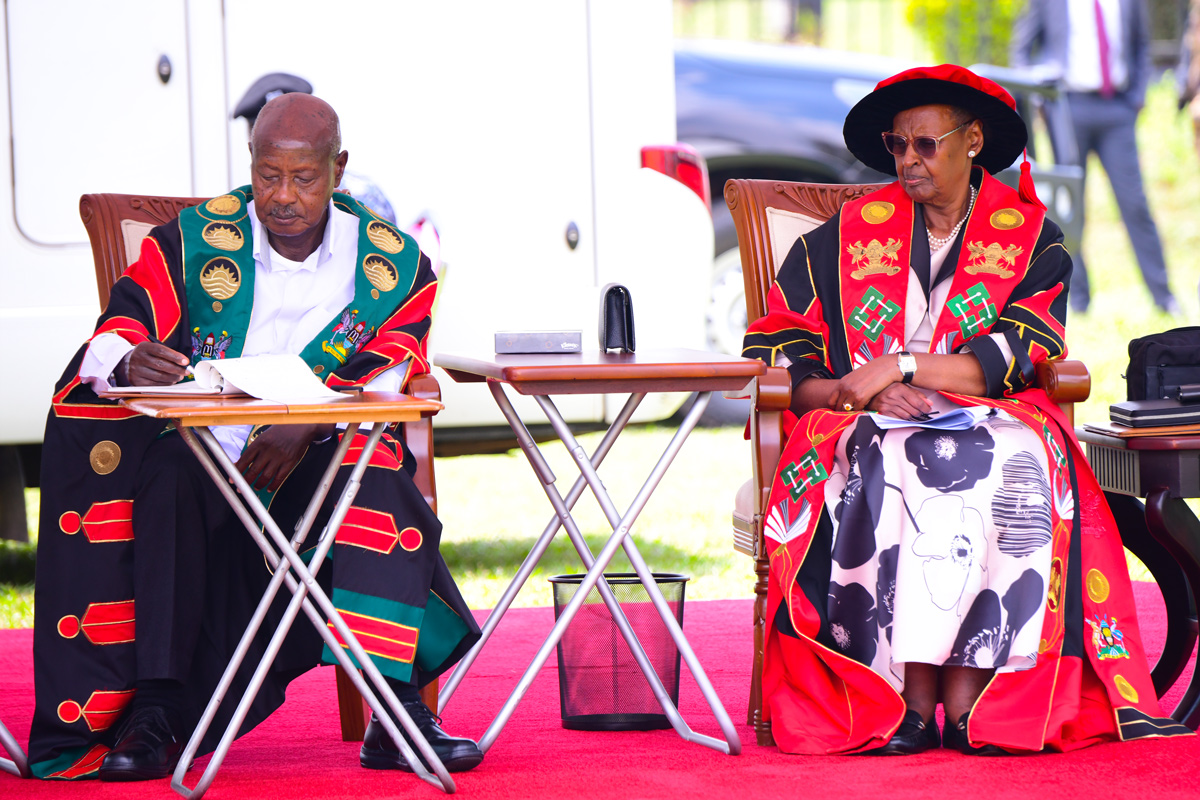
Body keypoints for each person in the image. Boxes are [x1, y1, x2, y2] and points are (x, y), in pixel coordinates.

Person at [28, 94, 483, 780]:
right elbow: (120, 324)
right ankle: (157, 710)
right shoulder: (194, 239)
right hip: (207, 458)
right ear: (251, 165)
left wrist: (300, 427)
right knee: (171, 468)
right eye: (268, 175)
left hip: (315, 460)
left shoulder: (389, 263)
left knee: (373, 467)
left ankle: (395, 711)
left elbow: (392, 363)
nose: (284, 197)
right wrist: (126, 358)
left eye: (304, 178)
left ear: (339, 169)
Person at [742, 64, 1192, 755]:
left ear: (973, 140)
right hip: (866, 421)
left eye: (925, 145)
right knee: (900, 457)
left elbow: (1010, 358)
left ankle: (974, 695)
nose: (908, 162)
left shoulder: (1031, 240)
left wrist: (901, 365)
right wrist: (853, 389)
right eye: (897, 147)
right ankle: (913, 701)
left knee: (1001, 458)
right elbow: (784, 362)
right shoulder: (839, 239)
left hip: (991, 416)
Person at [1011, 0, 1181, 316]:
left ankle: (1164, 297)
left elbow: (1141, 46)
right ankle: (1077, 299)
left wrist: (1137, 97)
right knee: (1069, 208)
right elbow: (1021, 46)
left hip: (1117, 108)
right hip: (1066, 107)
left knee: (1135, 203)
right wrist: (1037, 98)